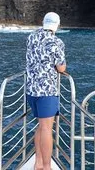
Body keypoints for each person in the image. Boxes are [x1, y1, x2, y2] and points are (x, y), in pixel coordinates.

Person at [26, 12, 66, 170]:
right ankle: (47, 166)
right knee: (47, 129)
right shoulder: (56, 42)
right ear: (57, 25)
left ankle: (38, 162)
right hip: (46, 91)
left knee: (41, 126)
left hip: (31, 89)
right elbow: (61, 68)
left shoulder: (31, 37)